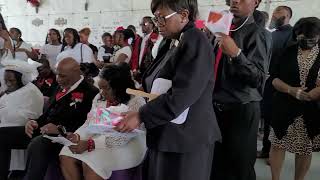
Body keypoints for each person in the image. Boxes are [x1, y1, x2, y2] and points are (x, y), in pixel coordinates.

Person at [115, 0, 221, 180]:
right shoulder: (171, 41)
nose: (158, 24)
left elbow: (183, 94)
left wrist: (142, 115)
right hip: (167, 131)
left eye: (162, 18)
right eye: (156, 18)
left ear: (184, 15)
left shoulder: (195, 40)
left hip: (186, 138)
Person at [0, 57, 99, 180]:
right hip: (43, 130)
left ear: (76, 72)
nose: (58, 79)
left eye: (63, 76)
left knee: (38, 144)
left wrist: (59, 129)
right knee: (2, 134)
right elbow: (47, 114)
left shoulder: (91, 92)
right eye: (57, 75)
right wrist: (33, 122)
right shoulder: (60, 86)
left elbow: (86, 123)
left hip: (64, 137)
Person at [211, 0, 272, 179]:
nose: (235, 0)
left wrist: (237, 54)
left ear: (256, 3)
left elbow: (259, 78)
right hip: (215, 108)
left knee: (240, 169)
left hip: (241, 110)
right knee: (216, 166)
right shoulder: (221, 29)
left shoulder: (259, 34)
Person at [59, 64, 147, 180]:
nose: (102, 92)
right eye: (100, 88)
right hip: (99, 138)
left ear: (119, 87)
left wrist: (90, 144)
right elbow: (89, 123)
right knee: (66, 154)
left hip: (130, 143)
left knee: (92, 162)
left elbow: (123, 136)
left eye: (106, 88)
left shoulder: (136, 101)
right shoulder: (99, 97)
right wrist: (77, 136)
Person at [269, 17, 320, 180]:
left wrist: (318, 91)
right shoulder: (287, 51)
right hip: (284, 106)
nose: (307, 41)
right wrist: (291, 90)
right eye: (302, 38)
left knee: (305, 148)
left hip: (311, 110)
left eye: (312, 38)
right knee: (278, 144)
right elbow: (274, 79)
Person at [258, 5, 294, 160]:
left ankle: (274, 155)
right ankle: (266, 150)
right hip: (268, 82)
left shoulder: (291, 34)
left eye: (277, 12)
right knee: (267, 117)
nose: (273, 15)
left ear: (287, 16)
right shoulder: (272, 34)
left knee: (277, 121)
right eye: (273, 12)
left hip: (281, 84)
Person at [0, 59, 44, 180]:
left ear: (21, 79)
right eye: (6, 80)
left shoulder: (31, 92)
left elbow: (29, 116)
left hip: (27, 130)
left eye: (11, 81)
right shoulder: (11, 91)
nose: (8, 84)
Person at [134, 17, 158, 82]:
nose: (141, 26)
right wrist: (135, 69)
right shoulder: (140, 39)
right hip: (139, 72)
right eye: (141, 24)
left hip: (149, 72)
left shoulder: (156, 38)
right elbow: (136, 55)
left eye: (144, 24)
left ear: (151, 24)